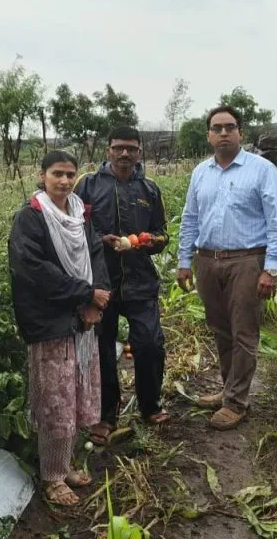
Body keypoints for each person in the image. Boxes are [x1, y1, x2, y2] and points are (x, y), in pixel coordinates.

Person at [7, 150, 112, 507]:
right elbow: (34, 271)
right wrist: (84, 294)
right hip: (50, 321)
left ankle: (62, 465)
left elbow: (95, 254)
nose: (65, 181)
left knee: (75, 395)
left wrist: (96, 300)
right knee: (56, 402)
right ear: (42, 176)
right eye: (57, 174)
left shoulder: (80, 214)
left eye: (70, 174)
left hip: (82, 321)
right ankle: (52, 478)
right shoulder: (31, 218)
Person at [176, 105, 277, 431]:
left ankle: (237, 402)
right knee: (220, 328)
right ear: (209, 135)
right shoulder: (201, 173)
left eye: (230, 127)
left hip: (246, 261)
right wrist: (185, 261)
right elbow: (190, 219)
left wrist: (271, 269)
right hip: (208, 261)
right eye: (217, 128)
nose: (223, 133)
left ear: (240, 132)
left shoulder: (262, 170)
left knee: (243, 333)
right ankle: (229, 389)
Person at [74, 126, 171, 446]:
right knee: (102, 351)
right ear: (108, 150)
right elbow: (74, 228)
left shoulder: (149, 189)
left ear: (139, 152)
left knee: (149, 344)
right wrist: (101, 240)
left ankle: (149, 404)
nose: (125, 153)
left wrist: (150, 241)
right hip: (101, 282)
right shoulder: (88, 185)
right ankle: (106, 414)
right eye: (119, 148)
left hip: (141, 281)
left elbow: (161, 234)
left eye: (131, 148)